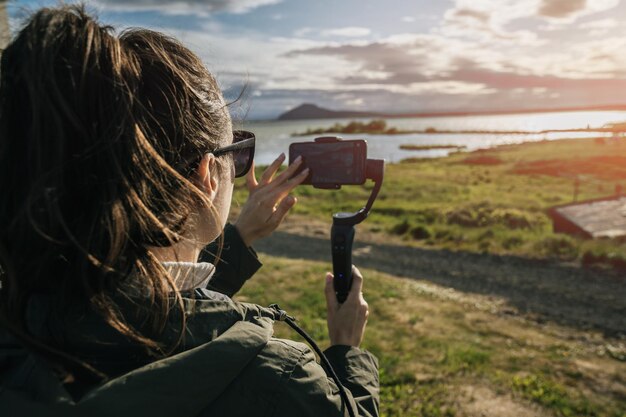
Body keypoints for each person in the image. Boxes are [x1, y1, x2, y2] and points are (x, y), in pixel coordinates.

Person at [0, 5, 379, 417]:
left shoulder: (24, 322)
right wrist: (345, 349)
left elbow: (148, 316)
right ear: (206, 175)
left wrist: (239, 235)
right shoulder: (277, 383)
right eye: (237, 154)